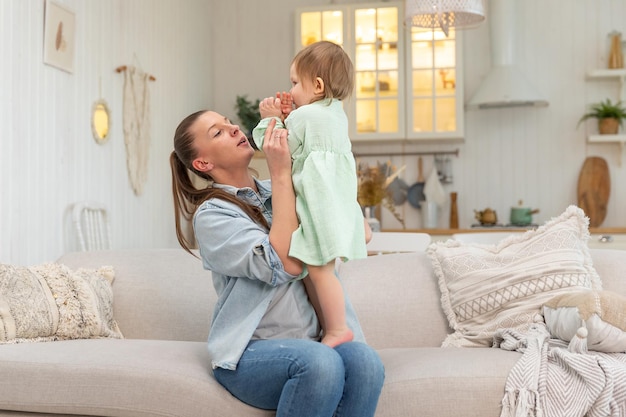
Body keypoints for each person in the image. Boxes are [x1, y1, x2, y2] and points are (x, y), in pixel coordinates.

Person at [170, 110, 384, 417]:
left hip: (312, 344)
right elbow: (285, 264)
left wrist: (303, 146)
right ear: (203, 164)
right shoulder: (213, 216)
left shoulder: (284, 188)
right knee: (319, 362)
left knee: (366, 363)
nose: (232, 129)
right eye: (217, 133)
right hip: (250, 354)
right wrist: (282, 173)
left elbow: (358, 231)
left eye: (229, 122)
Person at [252, 40, 366, 348]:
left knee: (319, 271)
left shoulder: (304, 118)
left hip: (318, 208)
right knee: (316, 268)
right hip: (337, 200)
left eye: (294, 83)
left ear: (316, 85)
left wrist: (269, 118)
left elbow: (275, 145)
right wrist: (293, 115)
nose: (290, 90)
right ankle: (359, 226)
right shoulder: (335, 115)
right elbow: (304, 138)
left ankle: (338, 329)